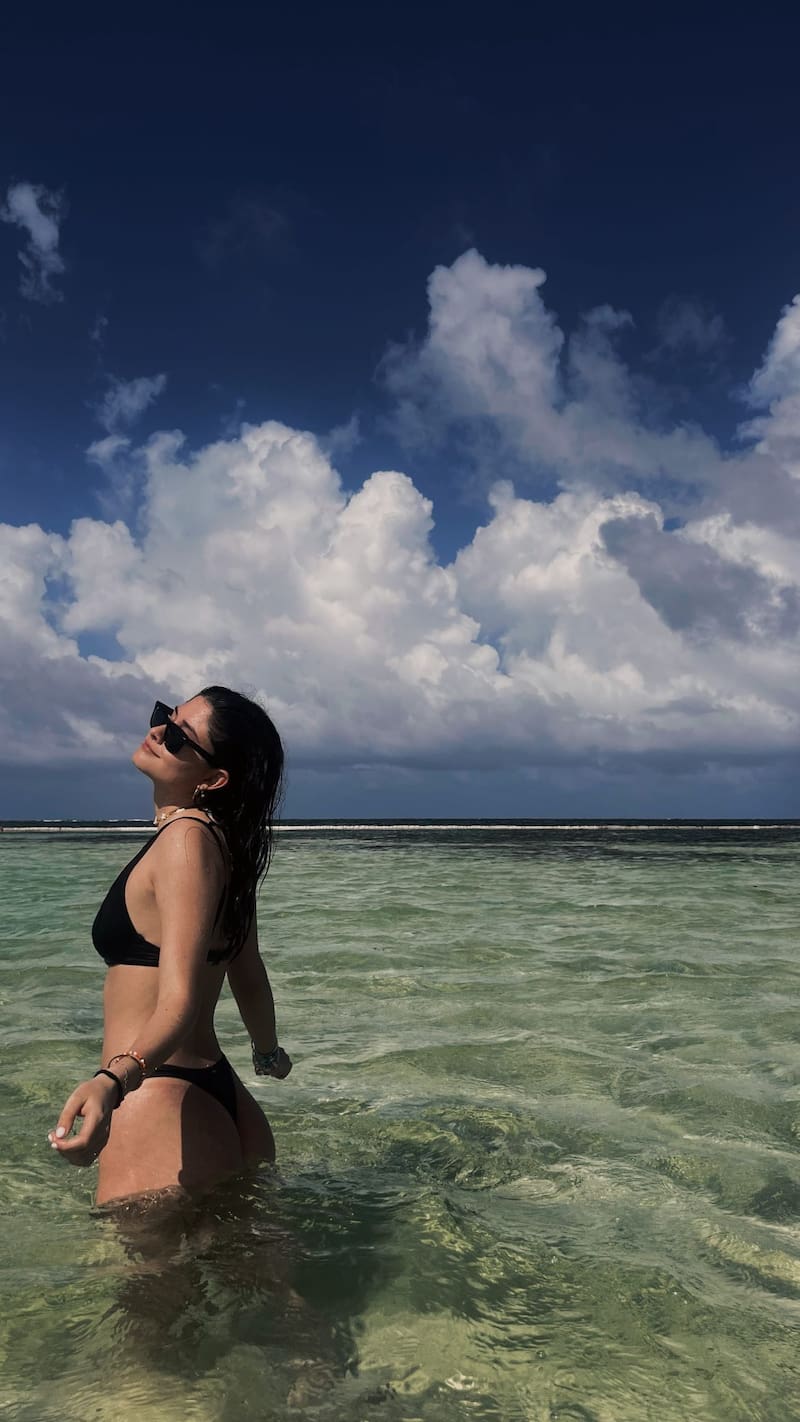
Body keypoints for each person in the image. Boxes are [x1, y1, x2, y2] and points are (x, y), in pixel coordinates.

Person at [48, 686, 292, 1206]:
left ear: (213, 779)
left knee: (144, 1287)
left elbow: (177, 1001)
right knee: (258, 1285)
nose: (159, 731)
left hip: (158, 1099)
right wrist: (268, 1053)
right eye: (165, 717)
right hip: (220, 1098)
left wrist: (110, 1082)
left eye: (181, 736)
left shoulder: (184, 841)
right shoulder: (225, 847)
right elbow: (247, 975)